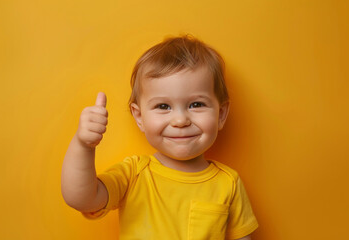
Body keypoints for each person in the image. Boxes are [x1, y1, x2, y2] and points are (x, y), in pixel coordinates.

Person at [61, 35, 258, 239]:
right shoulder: (133, 175)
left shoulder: (229, 183)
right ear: (139, 117)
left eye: (196, 104)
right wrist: (83, 146)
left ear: (221, 114)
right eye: (163, 106)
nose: (180, 120)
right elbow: (80, 198)